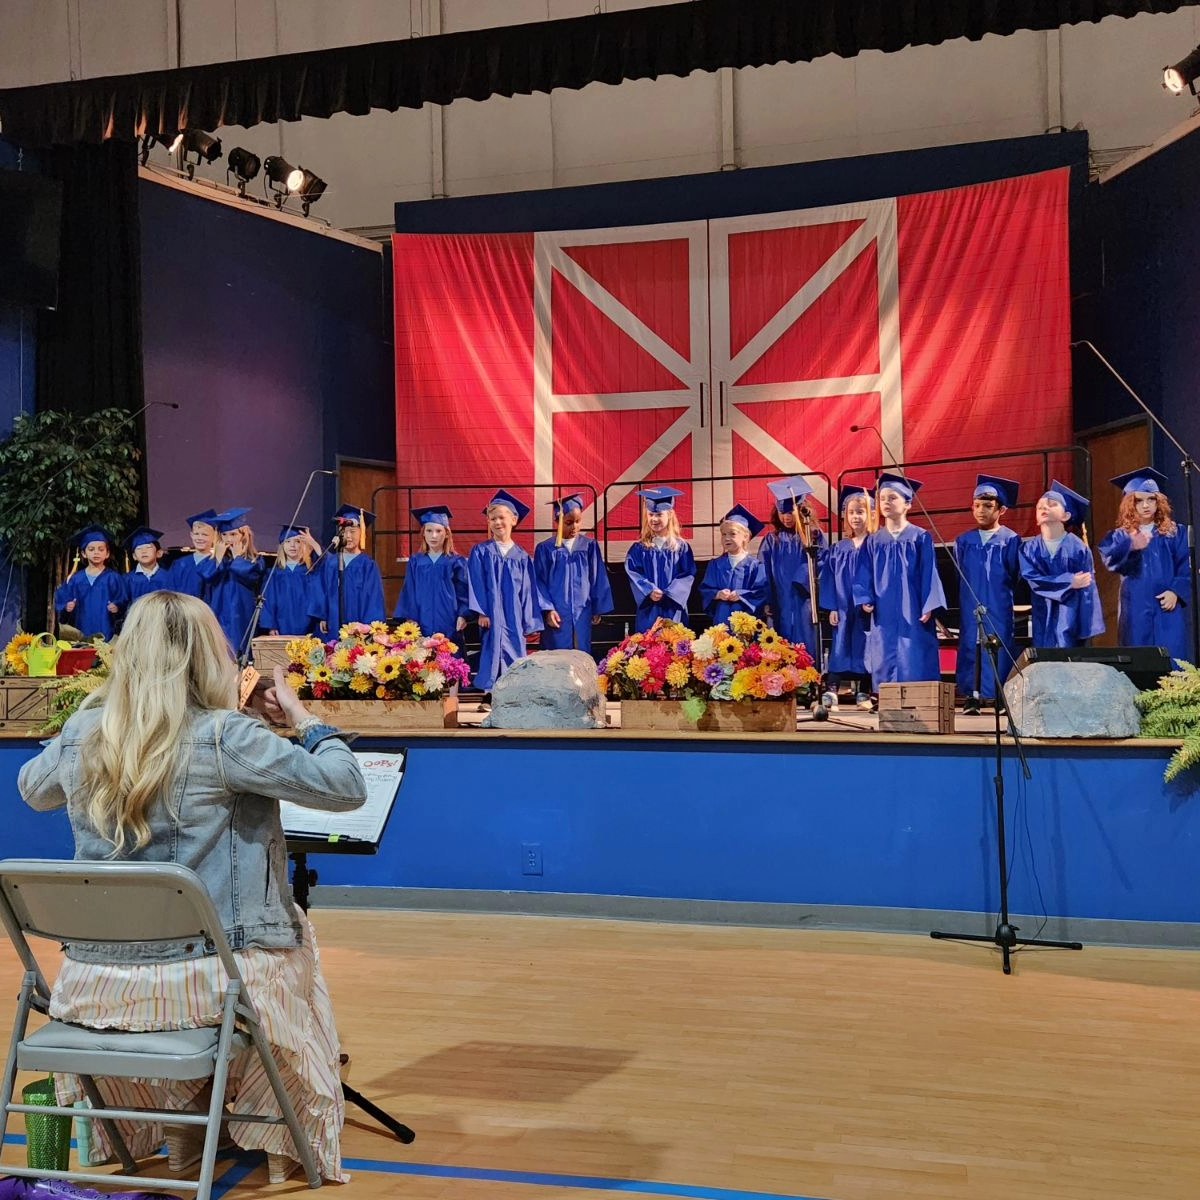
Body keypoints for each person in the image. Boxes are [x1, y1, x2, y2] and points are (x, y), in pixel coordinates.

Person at [17, 590, 366, 1184]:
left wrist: (103, 716)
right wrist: (301, 718)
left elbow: (33, 789)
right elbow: (345, 785)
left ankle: (180, 1129)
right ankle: (249, 1125)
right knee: (293, 943)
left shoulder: (84, 732)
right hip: (211, 984)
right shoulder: (227, 736)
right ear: (210, 658)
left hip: (95, 985)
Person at [853, 472, 947, 684]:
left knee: (913, 649)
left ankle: (918, 696)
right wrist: (865, 597)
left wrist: (928, 604)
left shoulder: (920, 537)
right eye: (883, 498)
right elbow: (863, 573)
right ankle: (886, 695)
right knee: (884, 647)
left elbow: (929, 572)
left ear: (907, 504)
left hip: (912, 605)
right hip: (883, 606)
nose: (886, 502)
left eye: (892, 498)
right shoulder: (874, 541)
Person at [1098, 467, 1192, 663]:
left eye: (1151, 499)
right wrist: (1131, 546)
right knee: (1138, 658)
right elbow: (1112, 561)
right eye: (1139, 501)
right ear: (1130, 504)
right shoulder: (1121, 536)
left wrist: (1176, 591)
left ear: (1159, 502)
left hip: (1166, 606)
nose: (1146, 505)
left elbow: (1185, 567)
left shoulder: (1174, 532)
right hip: (1135, 606)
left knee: (1172, 657)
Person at [953, 475, 1022, 713]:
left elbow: (1015, 574)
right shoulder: (964, 541)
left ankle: (999, 694)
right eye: (977, 505)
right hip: (970, 601)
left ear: (1001, 509)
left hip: (999, 601)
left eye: (988, 506)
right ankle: (972, 696)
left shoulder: (1011, 539)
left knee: (999, 645)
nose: (981, 511)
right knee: (971, 645)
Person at [467, 490, 542, 693]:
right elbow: (475, 582)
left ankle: (514, 693)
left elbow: (527, 591)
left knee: (515, 649)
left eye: (501, 517)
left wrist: (529, 621)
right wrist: (481, 611)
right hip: (491, 613)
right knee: (491, 651)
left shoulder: (523, 557)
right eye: (492, 519)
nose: (497, 522)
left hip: (514, 615)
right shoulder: (481, 551)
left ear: (514, 520)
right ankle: (489, 694)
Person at [1019, 480, 1105, 648]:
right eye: (1040, 506)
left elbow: (1088, 588)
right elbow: (1033, 579)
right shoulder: (1028, 549)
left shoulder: (1078, 548)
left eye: (1052, 505)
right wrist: (1069, 581)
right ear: (1036, 518)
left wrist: (1086, 625)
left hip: (1070, 613)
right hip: (1042, 612)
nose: (1045, 508)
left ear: (1066, 515)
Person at [533, 494, 614, 655]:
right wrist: (547, 610)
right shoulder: (546, 548)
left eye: (578, 522)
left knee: (581, 652)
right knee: (556, 657)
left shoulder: (589, 546)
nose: (574, 527)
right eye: (568, 523)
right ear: (558, 522)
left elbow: (597, 578)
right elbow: (538, 582)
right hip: (557, 614)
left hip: (582, 612)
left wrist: (597, 608)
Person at [760, 475, 826, 661]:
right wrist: (767, 600)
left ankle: (810, 679)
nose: (786, 518)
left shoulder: (813, 535)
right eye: (783, 513)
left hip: (804, 596)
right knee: (780, 639)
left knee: (806, 638)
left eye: (790, 513)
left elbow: (823, 561)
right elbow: (763, 571)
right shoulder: (772, 540)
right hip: (779, 599)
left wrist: (802, 577)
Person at [820, 486, 874, 709]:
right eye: (851, 512)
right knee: (840, 644)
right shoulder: (838, 548)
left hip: (865, 607)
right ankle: (831, 689)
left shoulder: (876, 544)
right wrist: (831, 606)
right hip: (842, 605)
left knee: (865, 646)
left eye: (860, 512)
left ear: (871, 514)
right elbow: (828, 578)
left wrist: (872, 599)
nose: (855, 517)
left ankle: (863, 692)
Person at [393, 505, 471, 641]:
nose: (433, 536)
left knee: (450, 659)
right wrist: (411, 618)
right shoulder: (415, 561)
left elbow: (463, 592)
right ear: (423, 533)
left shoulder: (456, 561)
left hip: (450, 622)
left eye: (438, 531)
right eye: (429, 531)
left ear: (446, 533)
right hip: (421, 622)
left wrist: (463, 615)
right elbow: (409, 591)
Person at [624, 487, 696, 632]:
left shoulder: (681, 547)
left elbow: (688, 574)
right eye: (650, 515)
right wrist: (649, 590)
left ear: (669, 515)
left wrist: (670, 593)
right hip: (650, 608)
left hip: (673, 608)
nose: (654, 519)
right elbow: (633, 572)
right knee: (648, 646)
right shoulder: (639, 548)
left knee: (674, 646)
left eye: (659, 514)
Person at [197, 508, 266, 657]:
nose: (229, 539)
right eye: (225, 534)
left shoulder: (255, 560)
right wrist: (219, 558)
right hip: (218, 611)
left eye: (233, 534)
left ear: (244, 535)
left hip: (243, 612)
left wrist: (237, 558)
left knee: (242, 648)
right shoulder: (212, 561)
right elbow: (207, 576)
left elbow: (251, 578)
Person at [310, 505, 386, 632]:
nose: (348, 536)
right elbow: (321, 589)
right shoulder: (330, 562)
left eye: (353, 531)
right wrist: (322, 616)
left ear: (362, 533)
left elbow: (373, 597)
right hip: (332, 622)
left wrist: (368, 627)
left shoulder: (368, 565)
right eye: (344, 531)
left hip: (359, 625)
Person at [699, 504, 769, 625]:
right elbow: (705, 589)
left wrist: (741, 595)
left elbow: (761, 593)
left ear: (745, 537)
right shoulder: (715, 565)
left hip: (746, 626)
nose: (727, 538)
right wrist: (717, 594)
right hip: (721, 624)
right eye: (724, 534)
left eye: (732, 534)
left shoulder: (756, 566)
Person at [55, 526, 125, 640]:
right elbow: (62, 601)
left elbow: (124, 602)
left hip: (107, 633)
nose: (96, 553)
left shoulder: (114, 578)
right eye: (91, 549)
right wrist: (66, 608)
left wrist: (117, 608)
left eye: (101, 549)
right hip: (80, 631)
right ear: (83, 553)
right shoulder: (76, 579)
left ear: (107, 553)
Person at [261, 525, 321, 637]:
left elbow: (318, 598)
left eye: (297, 541)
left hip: (308, 624)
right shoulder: (274, 573)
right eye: (288, 541)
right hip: (281, 623)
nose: (292, 545)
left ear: (303, 545)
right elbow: (269, 601)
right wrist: (271, 625)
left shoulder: (311, 572)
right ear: (282, 546)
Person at [169, 509, 219, 600]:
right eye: (196, 534)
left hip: (206, 612)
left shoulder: (217, 564)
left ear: (214, 536)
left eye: (205, 534)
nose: (200, 538)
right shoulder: (179, 564)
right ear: (191, 535)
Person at [123, 526, 173, 603]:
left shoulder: (170, 577)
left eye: (148, 547)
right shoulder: (127, 580)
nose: (144, 551)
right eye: (139, 548)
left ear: (159, 553)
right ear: (134, 556)